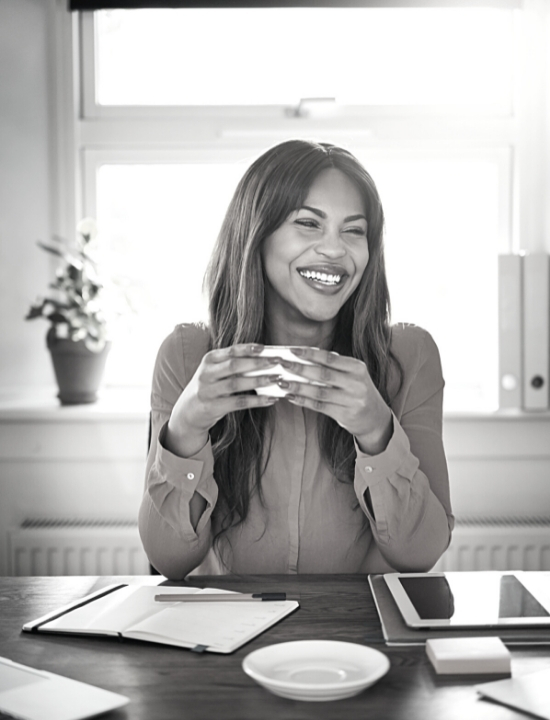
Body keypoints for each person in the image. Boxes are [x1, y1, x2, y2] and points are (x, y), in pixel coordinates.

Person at [139, 139, 454, 579]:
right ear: (257, 233)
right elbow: (169, 560)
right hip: (225, 636)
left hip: (359, 637)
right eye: (308, 223)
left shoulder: (409, 355)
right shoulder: (189, 355)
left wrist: (376, 430)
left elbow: (421, 553)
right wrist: (186, 427)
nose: (334, 250)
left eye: (354, 230)